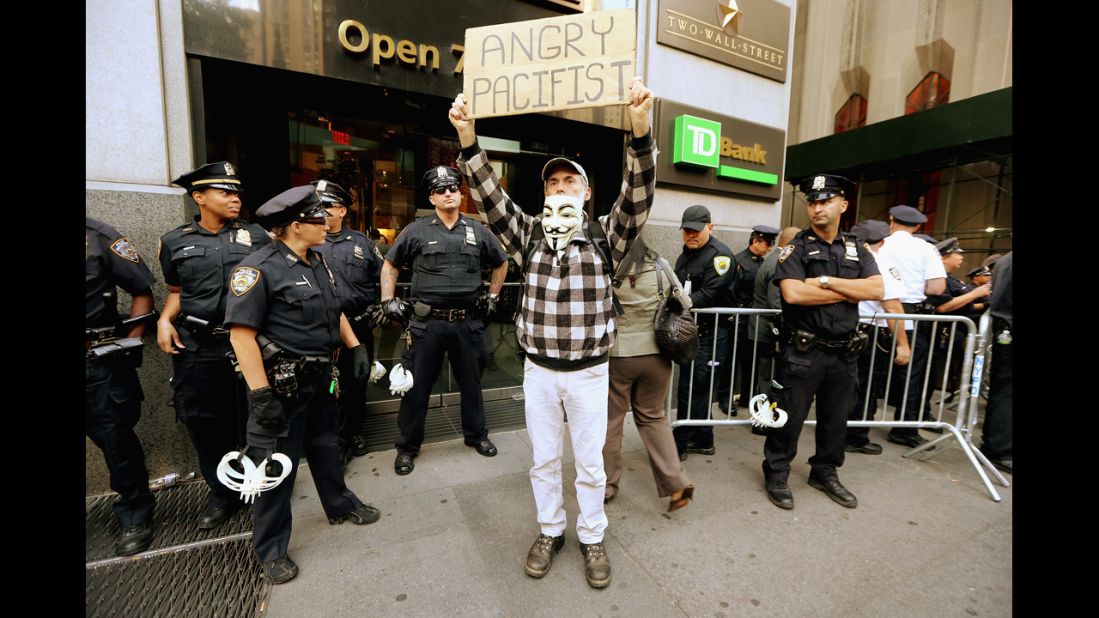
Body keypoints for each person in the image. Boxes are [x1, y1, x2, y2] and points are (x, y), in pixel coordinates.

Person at [449, 76, 656, 589]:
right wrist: (468, 138)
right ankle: (550, 531)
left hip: (589, 375)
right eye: (552, 183)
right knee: (544, 461)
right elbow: (489, 195)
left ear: (587, 194)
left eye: (569, 183)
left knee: (589, 465)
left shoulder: (607, 234)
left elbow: (639, 194)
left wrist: (640, 130)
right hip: (540, 373)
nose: (559, 188)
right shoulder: (527, 237)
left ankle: (591, 537)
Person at [225, 185, 381, 584]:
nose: (328, 223)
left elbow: (335, 309)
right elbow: (241, 337)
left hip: (320, 378)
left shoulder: (318, 261)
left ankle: (340, 504)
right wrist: (260, 395)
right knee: (276, 468)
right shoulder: (257, 269)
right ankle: (271, 548)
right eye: (319, 218)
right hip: (280, 386)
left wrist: (356, 345)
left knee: (327, 446)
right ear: (296, 225)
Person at [157, 162, 271, 530]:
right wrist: (163, 319)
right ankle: (222, 492)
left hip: (248, 344)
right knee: (204, 422)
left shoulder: (257, 237)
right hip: (199, 346)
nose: (235, 198)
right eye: (226, 192)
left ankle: (260, 487)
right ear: (199, 197)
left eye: (237, 192)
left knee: (256, 416)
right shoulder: (174, 241)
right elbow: (177, 291)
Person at [762, 174, 883, 511]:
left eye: (825, 201)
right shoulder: (796, 247)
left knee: (836, 419)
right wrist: (849, 290)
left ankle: (825, 471)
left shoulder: (857, 248)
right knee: (789, 416)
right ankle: (776, 472)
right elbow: (794, 293)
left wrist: (827, 282)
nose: (817, 208)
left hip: (844, 353)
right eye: (812, 202)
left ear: (843, 204)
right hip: (804, 351)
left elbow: (876, 290)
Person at [380, 166, 509, 475]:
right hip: (427, 325)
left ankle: (477, 436)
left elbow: (501, 262)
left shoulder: (478, 230)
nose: (449, 192)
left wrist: (492, 296)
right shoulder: (416, 230)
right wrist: (388, 300)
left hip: (468, 323)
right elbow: (390, 265)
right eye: (441, 189)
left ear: (460, 193)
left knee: (472, 384)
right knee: (417, 387)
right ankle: (407, 448)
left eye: (453, 187)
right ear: (432, 197)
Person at [603, 237, 694, 512]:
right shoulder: (661, 266)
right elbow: (685, 302)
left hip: (619, 356)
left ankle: (607, 484)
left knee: (611, 420)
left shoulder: (607, 269)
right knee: (653, 416)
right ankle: (677, 483)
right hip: (657, 355)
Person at [86, 217, 157, 556]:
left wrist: (127, 346)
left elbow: (142, 290)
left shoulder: (99, 238)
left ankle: (135, 514)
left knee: (116, 441)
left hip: (96, 361)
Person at [311, 179, 384, 462]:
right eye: (317, 207)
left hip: (358, 325)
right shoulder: (307, 242)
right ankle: (334, 441)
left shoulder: (362, 244)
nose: (321, 212)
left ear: (342, 211)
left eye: (327, 206)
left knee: (356, 381)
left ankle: (354, 431)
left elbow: (383, 277)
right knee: (328, 386)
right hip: (322, 329)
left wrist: (380, 306)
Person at [876, 205, 946, 448]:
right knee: (911, 374)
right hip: (909, 313)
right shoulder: (926, 248)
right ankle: (904, 429)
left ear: (891, 220)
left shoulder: (880, 244)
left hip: (875, 310)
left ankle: (857, 426)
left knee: (871, 369)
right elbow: (936, 288)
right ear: (917, 227)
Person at [673, 205, 736, 460]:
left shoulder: (721, 256)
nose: (691, 235)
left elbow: (710, 293)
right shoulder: (686, 254)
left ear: (710, 227)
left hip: (711, 333)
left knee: (696, 387)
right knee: (693, 386)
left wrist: (678, 303)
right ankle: (703, 437)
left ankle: (681, 441)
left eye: (696, 230)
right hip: (692, 332)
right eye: (687, 230)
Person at [844, 220, 910, 455]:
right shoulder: (879, 263)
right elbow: (892, 307)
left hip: (847, 328)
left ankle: (842, 431)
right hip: (870, 332)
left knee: (847, 385)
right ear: (882, 241)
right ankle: (856, 436)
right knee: (867, 385)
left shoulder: (845, 260)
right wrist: (903, 343)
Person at [718, 224, 779, 413]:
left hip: (754, 320)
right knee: (732, 361)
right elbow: (731, 291)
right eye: (767, 244)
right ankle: (726, 399)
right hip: (739, 317)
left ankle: (746, 396)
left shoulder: (762, 263)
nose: (769, 248)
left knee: (749, 360)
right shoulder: (739, 261)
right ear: (756, 241)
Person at [747, 226, 800, 433]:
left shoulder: (774, 259)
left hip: (763, 327)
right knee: (767, 377)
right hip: (768, 329)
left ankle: (761, 417)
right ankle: (762, 422)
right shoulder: (780, 262)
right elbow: (776, 301)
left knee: (764, 375)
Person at [928, 237, 991, 407]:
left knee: (932, 374)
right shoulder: (941, 279)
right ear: (944, 257)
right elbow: (942, 307)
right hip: (941, 332)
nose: (962, 257)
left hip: (947, 331)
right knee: (927, 375)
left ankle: (924, 412)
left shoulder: (951, 278)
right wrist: (975, 295)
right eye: (957, 253)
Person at [980, 251, 1012, 473]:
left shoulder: (1004, 261)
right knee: (1006, 392)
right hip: (1009, 327)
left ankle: (994, 443)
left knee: (1002, 390)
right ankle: (1000, 448)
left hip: (1004, 328)